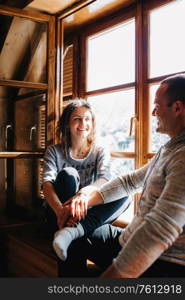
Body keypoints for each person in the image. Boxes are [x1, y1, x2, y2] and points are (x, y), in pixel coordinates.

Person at [63, 74, 185, 277]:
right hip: (129, 237)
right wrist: (83, 199)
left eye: (157, 105)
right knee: (76, 233)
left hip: (161, 260)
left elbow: (160, 230)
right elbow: (129, 181)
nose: (153, 112)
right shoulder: (170, 148)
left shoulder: (182, 156)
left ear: (177, 108)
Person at [42, 99, 130, 261]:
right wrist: (62, 211)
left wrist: (83, 194)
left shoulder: (100, 149)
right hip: (58, 213)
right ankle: (71, 228)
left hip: (87, 212)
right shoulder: (54, 151)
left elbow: (105, 178)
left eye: (87, 119)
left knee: (124, 193)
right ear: (67, 123)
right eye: (77, 118)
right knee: (68, 174)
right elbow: (47, 185)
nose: (83, 123)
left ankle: (71, 231)